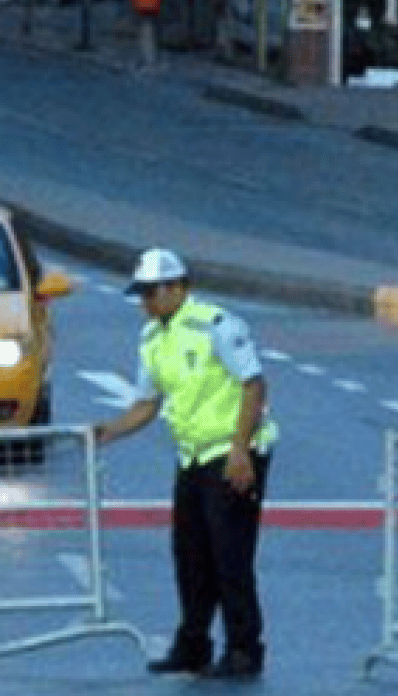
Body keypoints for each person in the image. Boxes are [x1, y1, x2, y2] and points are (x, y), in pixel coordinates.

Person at [91, 248, 277, 681]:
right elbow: (147, 403)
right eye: (141, 295)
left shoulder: (214, 325)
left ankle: (244, 649)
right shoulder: (152, 338)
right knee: (190, 554)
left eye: (151, 293)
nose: (145, 303)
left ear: (176, 287)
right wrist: (106, 432)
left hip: (232, 453)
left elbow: (253, 385)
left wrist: (240, 450)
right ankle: (193, 646)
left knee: (230, 556)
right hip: (193, 455)